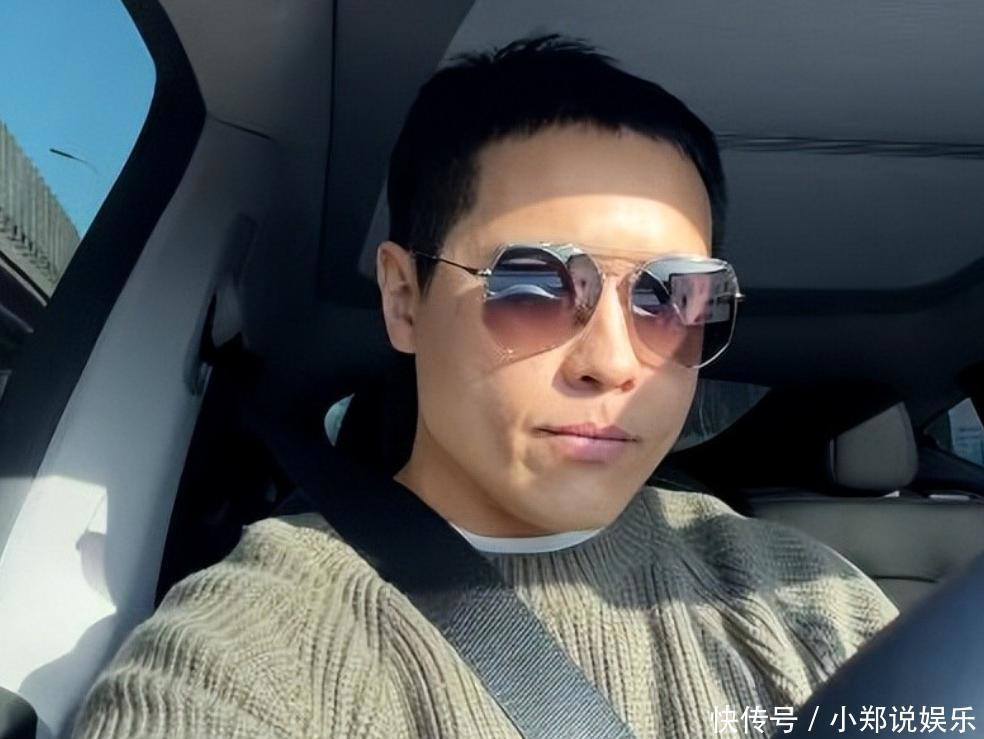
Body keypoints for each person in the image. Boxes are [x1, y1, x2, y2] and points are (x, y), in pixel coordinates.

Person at [72, 35, 898, 738]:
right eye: (534, 285)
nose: (614, 362)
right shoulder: (257, 648)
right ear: (404, 298)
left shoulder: (800, 594)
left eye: (670, 297)